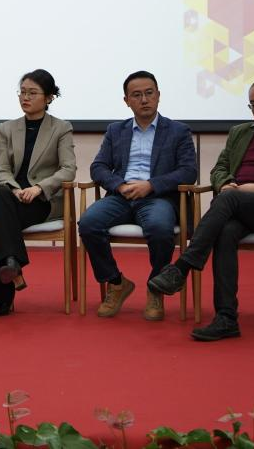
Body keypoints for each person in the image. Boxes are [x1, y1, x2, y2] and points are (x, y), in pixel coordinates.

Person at [148, 77, 254, 341]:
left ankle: (182, 267)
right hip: (238, 207)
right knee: (226, 230)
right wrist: (226, 182)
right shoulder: (239, 133)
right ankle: (226, 318)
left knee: (228, 200)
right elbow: (219, 168)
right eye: (253, 105)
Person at [78, 71, 197, 320]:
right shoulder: (116, 130)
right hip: (121, 195)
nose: (144, 99)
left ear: (158, 95)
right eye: (137, 95)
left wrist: (151, 185)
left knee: (160, 228)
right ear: (126, 101)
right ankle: (116, 282)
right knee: (88, 223)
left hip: (158, 197)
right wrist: (120, 185)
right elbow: (98, 167)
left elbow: (188, 171)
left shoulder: (178, 131)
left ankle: (156, 287)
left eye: (149, 93)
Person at [0, 69, 78, 316]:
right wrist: (16, 189)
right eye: (22, 92)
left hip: (42, 201)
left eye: (32, 93)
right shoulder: (7, 128)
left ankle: (4, 292)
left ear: (49, 98)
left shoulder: (61, 128)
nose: (25, 97)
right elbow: (2, 170)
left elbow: (68, 169)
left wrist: (38, 188)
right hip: (13, 198)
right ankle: (11, 263)